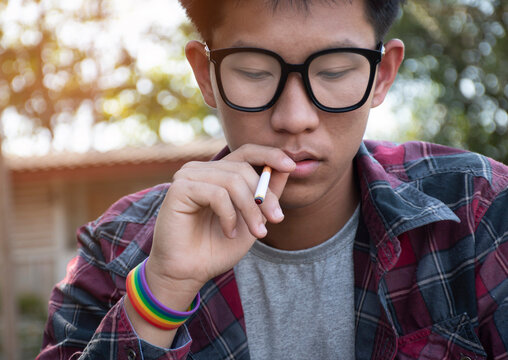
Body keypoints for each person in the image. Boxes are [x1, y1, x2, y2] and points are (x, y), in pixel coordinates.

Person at [37, 0, 508, 359]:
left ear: (382, 75)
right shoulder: (115, 249)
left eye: (336, 70)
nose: (295, 117)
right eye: (255, 72)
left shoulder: (480, 210)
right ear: (206, 75)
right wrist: (159, 296)